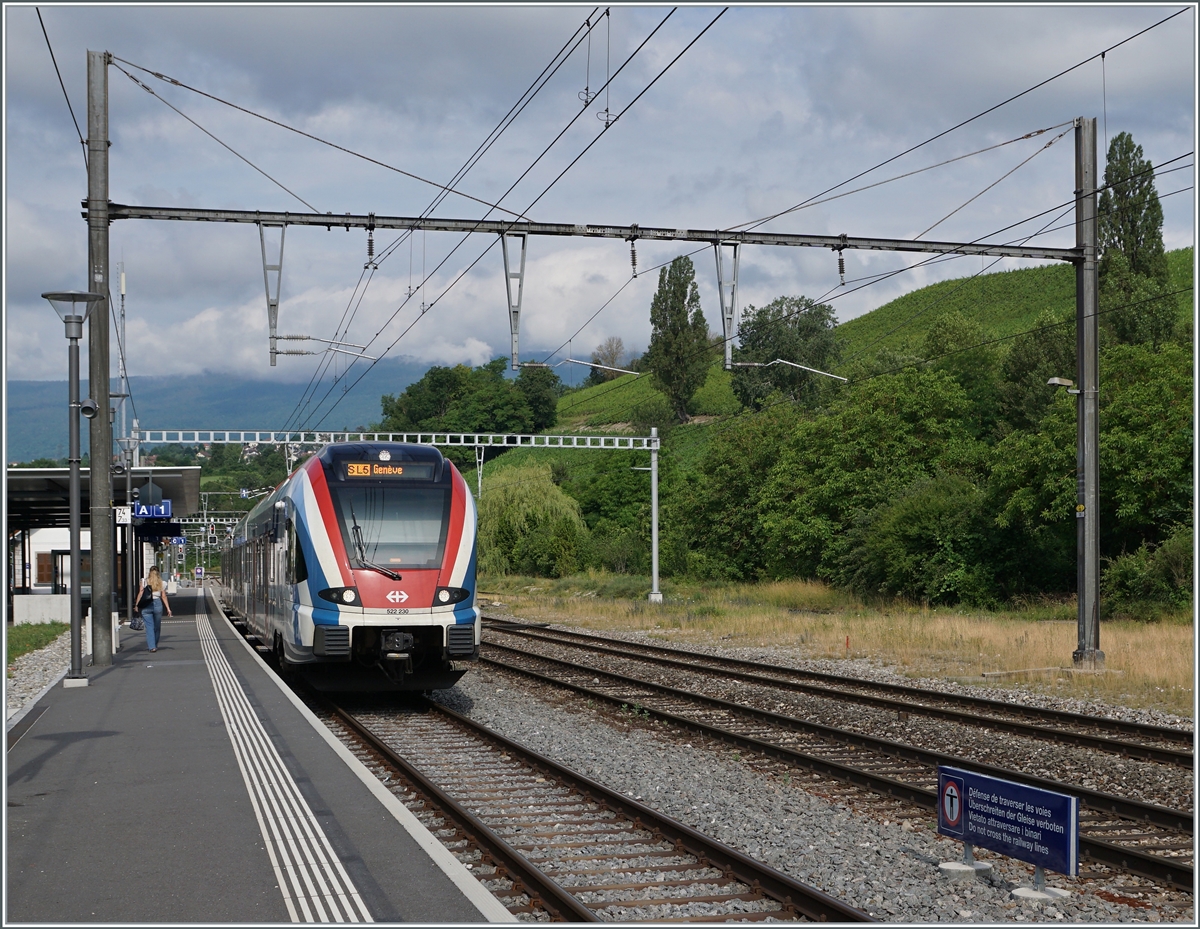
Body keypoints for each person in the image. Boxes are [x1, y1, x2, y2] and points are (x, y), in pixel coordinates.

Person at [135, 566, 173, 652]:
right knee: (157, 626)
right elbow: (163, 596)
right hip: (157, 604)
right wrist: (168, 608)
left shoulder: (144, 581)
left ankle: (152, 647)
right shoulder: (162, 583)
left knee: (149, 627)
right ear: (158, 573)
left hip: (146, 604)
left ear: (149, 572)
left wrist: (137, 605)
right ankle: (154, 644)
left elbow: (140, 593)